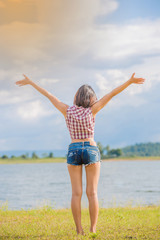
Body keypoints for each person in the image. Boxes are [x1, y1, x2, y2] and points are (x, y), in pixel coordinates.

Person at [15, 73, 145, 235]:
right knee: (92, 193)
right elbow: (112, 93)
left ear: (77, 97)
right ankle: (93, 229)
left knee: (76, 193)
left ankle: (79, 230)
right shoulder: (93, 110)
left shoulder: (67, 110)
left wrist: (31, 82)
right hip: (90, 149)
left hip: (74, 149)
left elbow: (48, 95)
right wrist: (130, 82)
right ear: (91, 98)